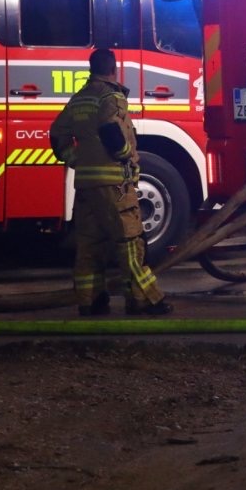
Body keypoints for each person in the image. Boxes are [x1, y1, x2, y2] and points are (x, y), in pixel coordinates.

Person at [50, 48, 173, 316]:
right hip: (115, 185)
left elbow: (57, 132)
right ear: (113, 69)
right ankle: (143, 300)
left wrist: (76, 160)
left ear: (91, 68)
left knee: (89, 242)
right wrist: (125, 154)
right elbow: (110, 129)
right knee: (130, 240)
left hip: (85, 185)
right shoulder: (112, 97)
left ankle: (90, 300)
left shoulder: (80, 98)